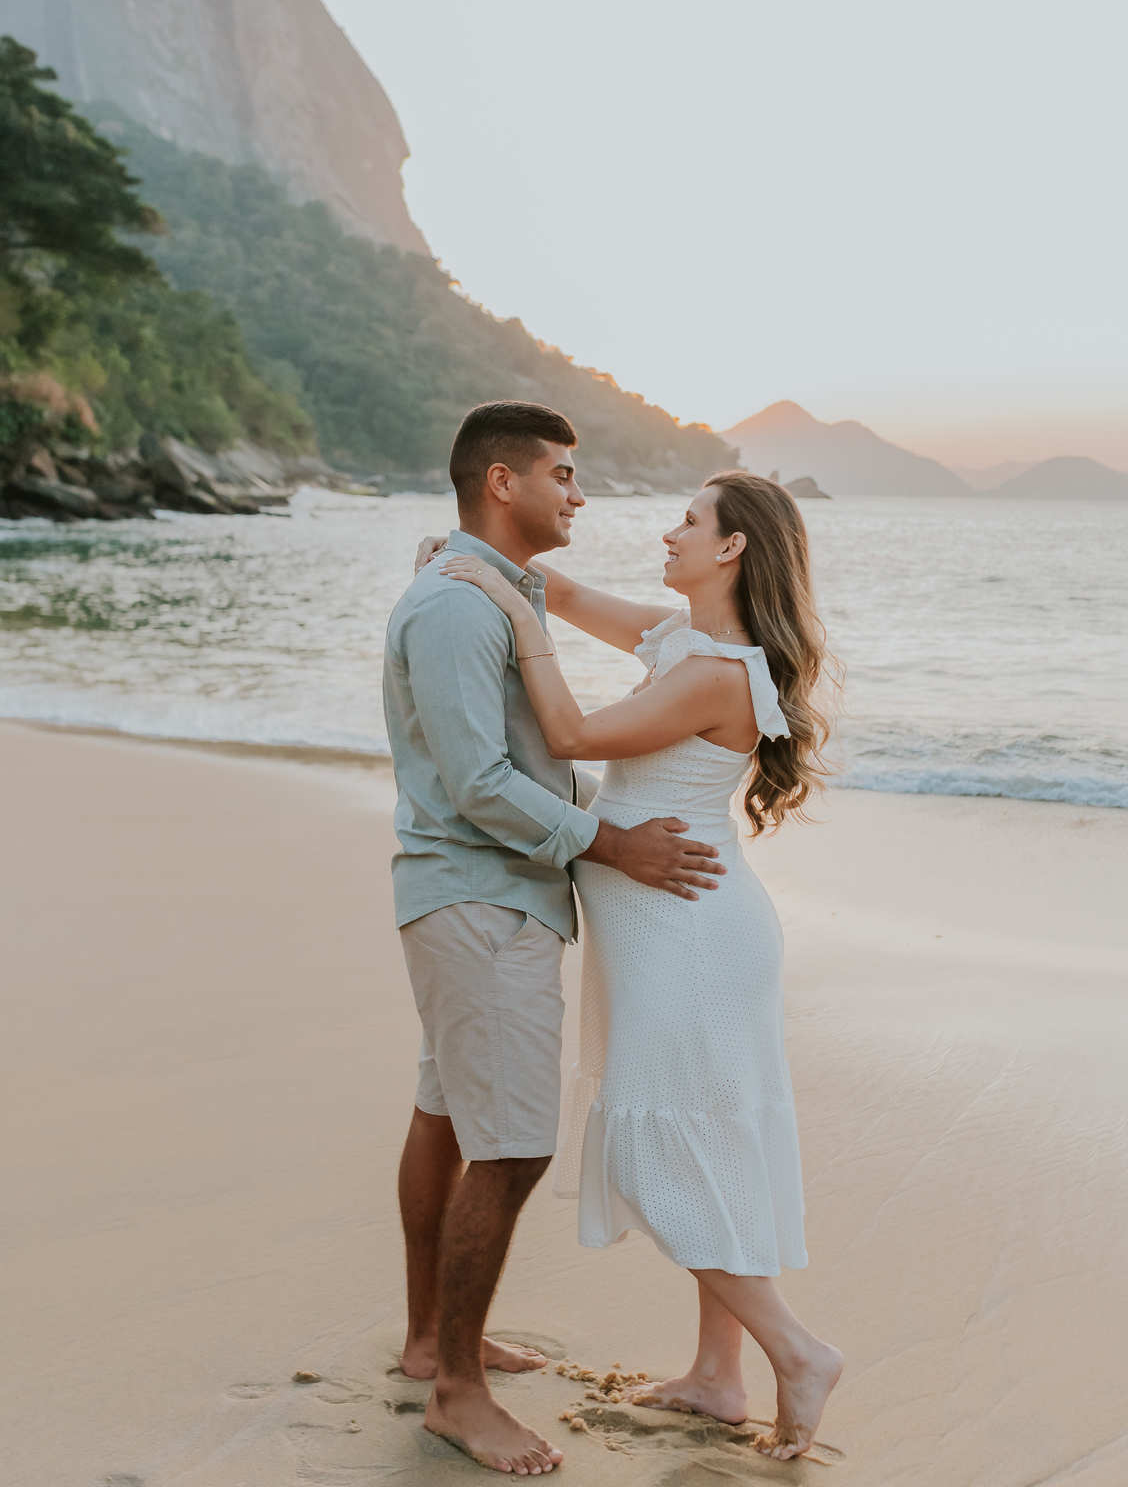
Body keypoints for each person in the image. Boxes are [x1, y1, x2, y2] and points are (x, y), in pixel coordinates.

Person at [434, 466, 843, 1461]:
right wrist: (474, 561)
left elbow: (569, 732)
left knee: (655, 1153)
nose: (669, 534)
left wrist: (511, 614)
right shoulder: (679, 640)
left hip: (688, 936)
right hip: (680, 927)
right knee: (713, 1144)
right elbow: (566, 592)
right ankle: (717, 1377)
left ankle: (796, 1351)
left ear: (731, 547)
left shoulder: (715, 674)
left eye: (688, 522)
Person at [383, 400, 728, 1477]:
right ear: (503, 482)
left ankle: (433, 1340)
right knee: (515, 1143)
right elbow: (481, 784)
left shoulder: (497, 590)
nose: (580, 493)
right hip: (481, 897)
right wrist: (611, 844)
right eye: (564, 474)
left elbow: (522, 753)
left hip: (482, 896)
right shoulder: (458, 605)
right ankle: (456, 1391)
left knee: (449, 1112)